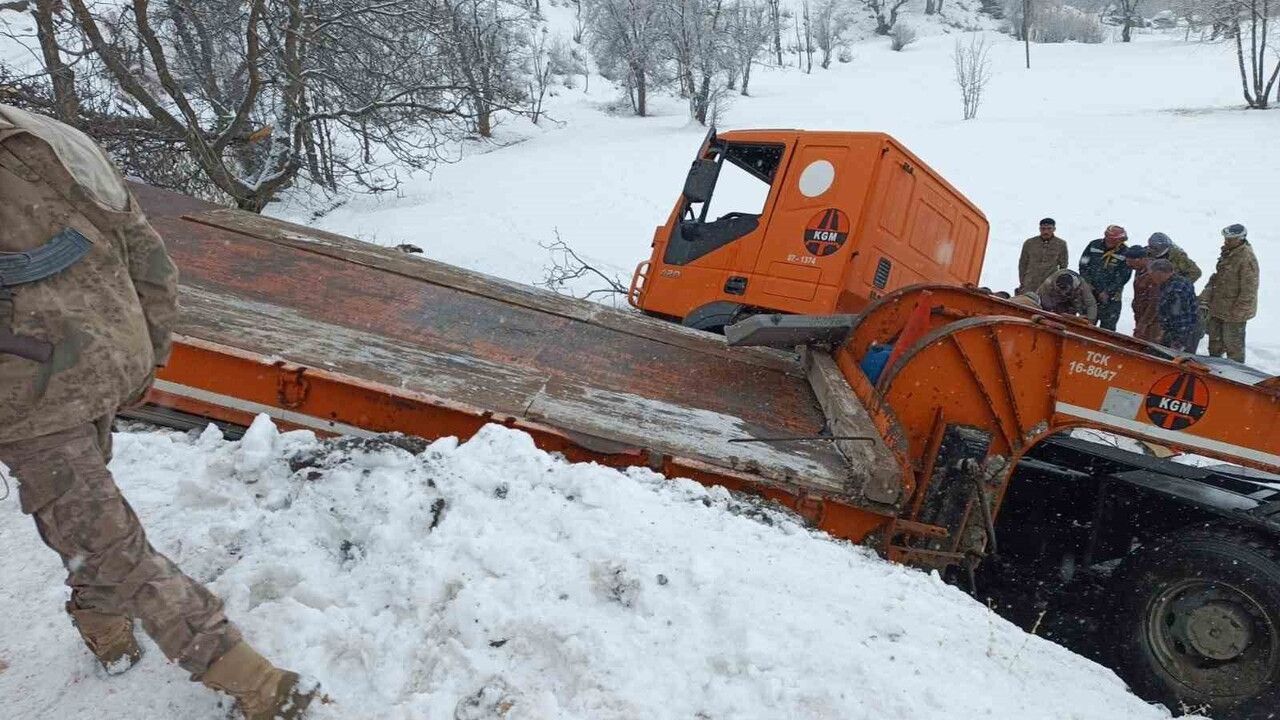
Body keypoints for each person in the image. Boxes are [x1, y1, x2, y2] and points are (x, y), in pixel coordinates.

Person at [0, 105, 317, 719]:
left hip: (32, 394)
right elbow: (147, 255)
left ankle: (258, 689)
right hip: (103, 358)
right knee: (90, 519)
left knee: (107, 540)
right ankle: (104, 628)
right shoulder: (52, 132)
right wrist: (147, 351)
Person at [1200, 223, 1259, 363]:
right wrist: (1205, 296)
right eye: (1225, 238)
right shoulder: (1228, 253)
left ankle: (1236, 378)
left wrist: (1237, 314)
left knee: (1234, 349)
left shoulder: (1246, 258)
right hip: (1218, 308)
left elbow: (1249, 290)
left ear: (1240, 239)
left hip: (1234, 313)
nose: (1226, 241)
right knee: (1214, 345)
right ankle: (1213, 372)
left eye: (1230, 239)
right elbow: (1217, 278)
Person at [1078, 224, 1133, 331]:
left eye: (1113, 239)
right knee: (1085, 325)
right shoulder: (1094, 245)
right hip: (1090, 293)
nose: (1109, 240)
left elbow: (1123, 277)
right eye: (1107, 236)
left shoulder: (1126, 253)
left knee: (1108, 329)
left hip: (1111, 299)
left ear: (1120, 240)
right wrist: (1087, 282)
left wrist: (1107, 291)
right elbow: (1083, 263)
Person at [1149, 259, 1201, 352]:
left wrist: (1178, 341)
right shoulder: (1169, 283)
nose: (1152, 279)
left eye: (1152, 275)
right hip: (1177, 328)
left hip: (1185, 330)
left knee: (1180, 360)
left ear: (1160, 273)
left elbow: (1180, 316)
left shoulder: (1176, 289)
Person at [1018, 218, 1069, 294]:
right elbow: (1023, 263)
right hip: (1030, 283)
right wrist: (1023, 281)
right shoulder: (1030, 243)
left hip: (1049, 284)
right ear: (1039, 229)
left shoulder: (1061, 244)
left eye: (1049, 228)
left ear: (1054, 229)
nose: (1046, 231)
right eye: (1043, 229)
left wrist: (1058, 283)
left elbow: (1063, 266)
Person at [1125, 246, 1161, 342]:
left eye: (1131, 261)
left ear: (1141, 259)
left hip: (1153, 320)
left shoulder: (1152, 273)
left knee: (1151, 346)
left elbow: (1155, 301)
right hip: (1142, 315)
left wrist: (1144, 323)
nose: (1128, 264)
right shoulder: (1139, 270)